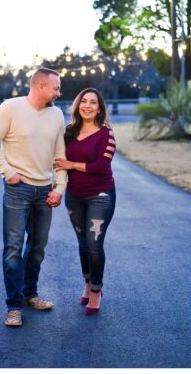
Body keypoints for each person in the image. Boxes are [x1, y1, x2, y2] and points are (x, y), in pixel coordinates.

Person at [0, 68, 68, 327]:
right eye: (56, 88)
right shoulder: (10, 107)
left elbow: (59, 154)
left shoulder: (56, 114)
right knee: (13, 249)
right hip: (18, 189)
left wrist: (59, 187)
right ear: (40, 86)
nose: (59, 92)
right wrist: (7, 172)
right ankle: (14, 307)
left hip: (45, 191)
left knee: (37, 248)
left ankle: (31, 294)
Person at [53, 88, 116, 315]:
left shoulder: (106, 134)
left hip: (100, 195)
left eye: (93, 102)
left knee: (94, 244)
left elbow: (101, 167)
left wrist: (72, 165)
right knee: (82, 243)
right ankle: (88, 283)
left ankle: (97, 291)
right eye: (84, 101)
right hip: (75, 196)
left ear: (99, 108)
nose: (87, 106)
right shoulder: (69, 131)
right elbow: (56, 157)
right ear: (78, 105)